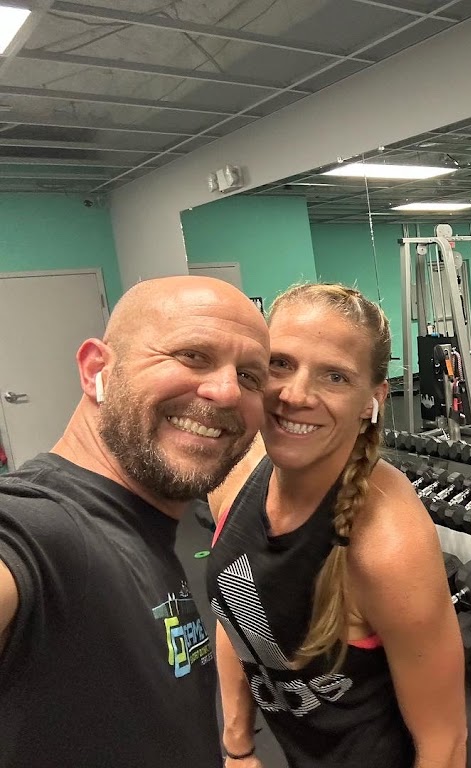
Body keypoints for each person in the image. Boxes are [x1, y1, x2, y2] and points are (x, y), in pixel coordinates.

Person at [0, 276, 271, 767]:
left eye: (250, 377)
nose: (228, 391)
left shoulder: (146, 521)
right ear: (95, 370)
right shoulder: (41, 528)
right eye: (192, 355)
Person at [206, 283, 466, 768]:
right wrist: (238, 747)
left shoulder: (389, 544)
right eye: (281, 363)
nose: (295, 395)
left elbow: (445, 744)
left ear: (373, 399)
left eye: (335, 377)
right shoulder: (235, 472)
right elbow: (234, 613)